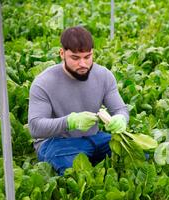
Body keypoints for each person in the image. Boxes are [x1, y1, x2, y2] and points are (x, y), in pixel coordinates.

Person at [28, 26, 129, 175]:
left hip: (95, 138)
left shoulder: (103, 76)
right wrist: (69, 122)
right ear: (62, 53)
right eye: (75, 58)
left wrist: (121, 119)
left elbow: (120, 109)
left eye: (87, 57)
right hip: (58, 143)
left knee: (139, 153)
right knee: (73, 170)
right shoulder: (43, 82)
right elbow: (35, 127)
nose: (83, 64)